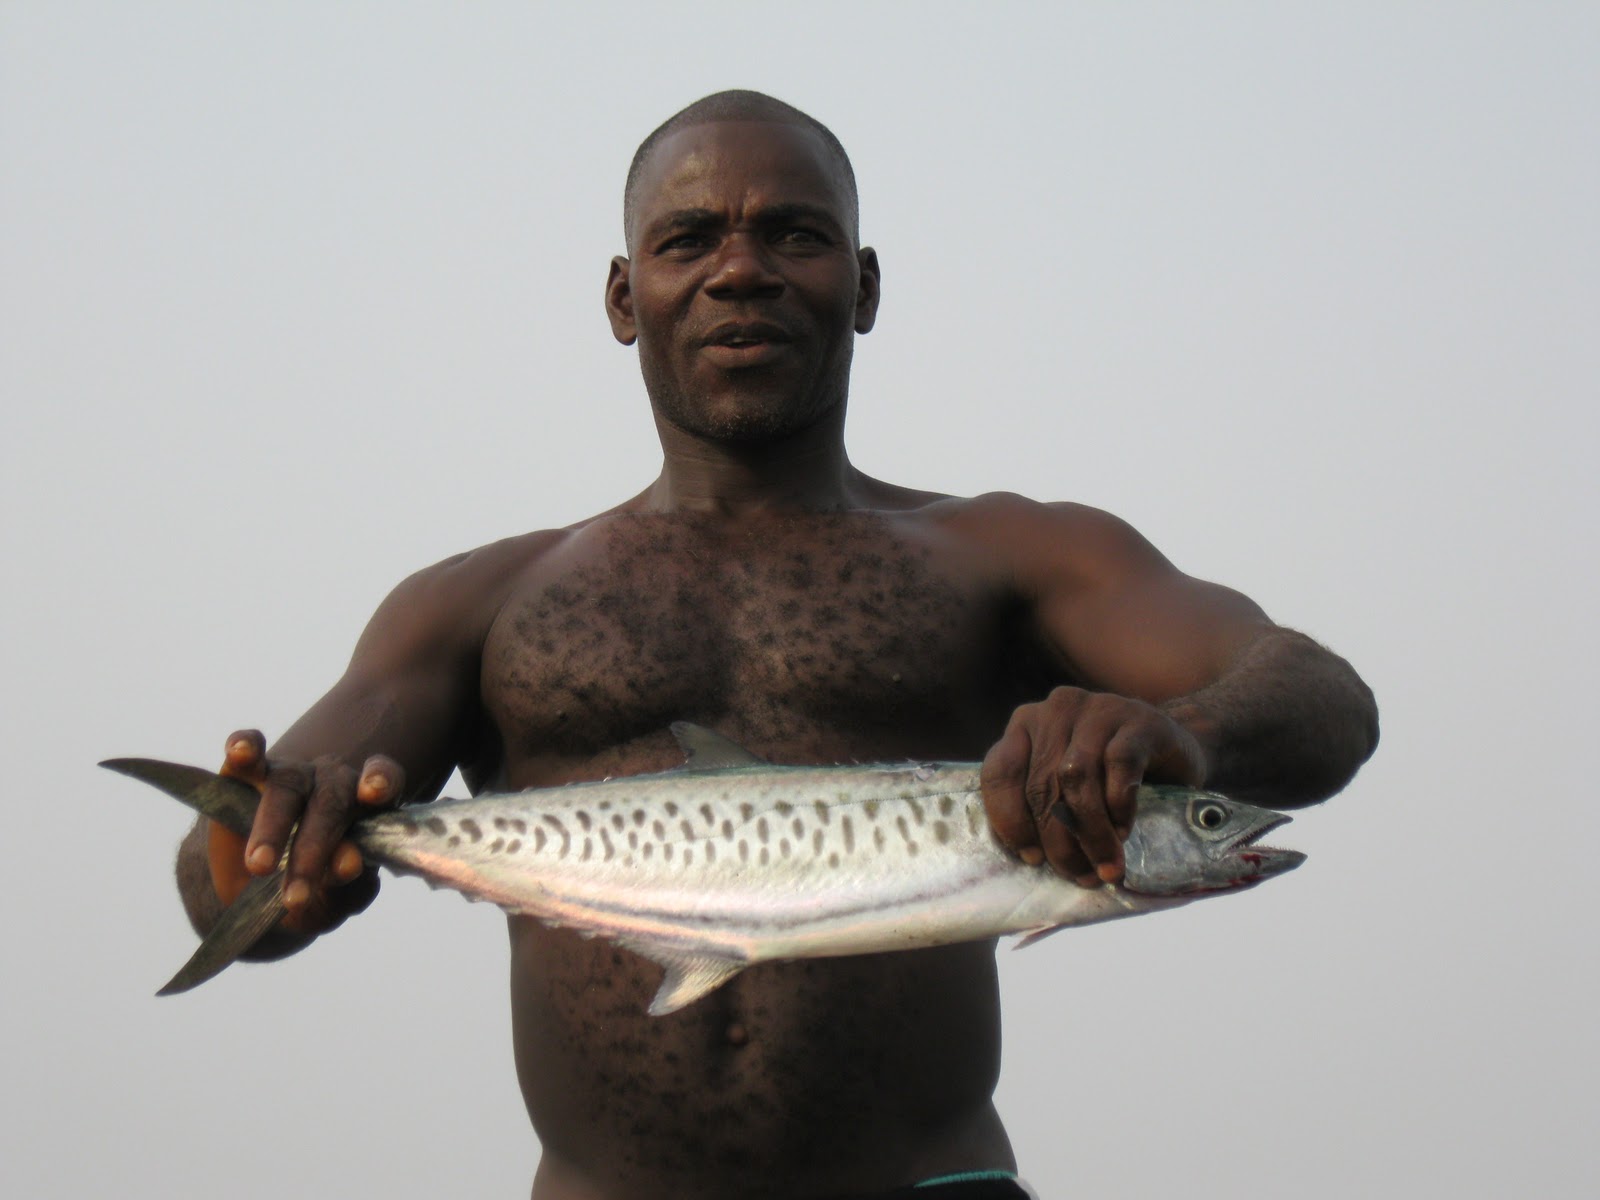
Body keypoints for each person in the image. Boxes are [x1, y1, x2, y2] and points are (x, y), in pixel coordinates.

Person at [174, 90, 1378, 1200]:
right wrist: (276, 852)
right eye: (688, 239)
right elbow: (223, 863)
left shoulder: (1013, 554)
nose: (738, 269)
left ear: (861, 285)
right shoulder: (478, 599)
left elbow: (1324, 701)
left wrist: (1187, 733)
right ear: (620, 295)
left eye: (791, 235)